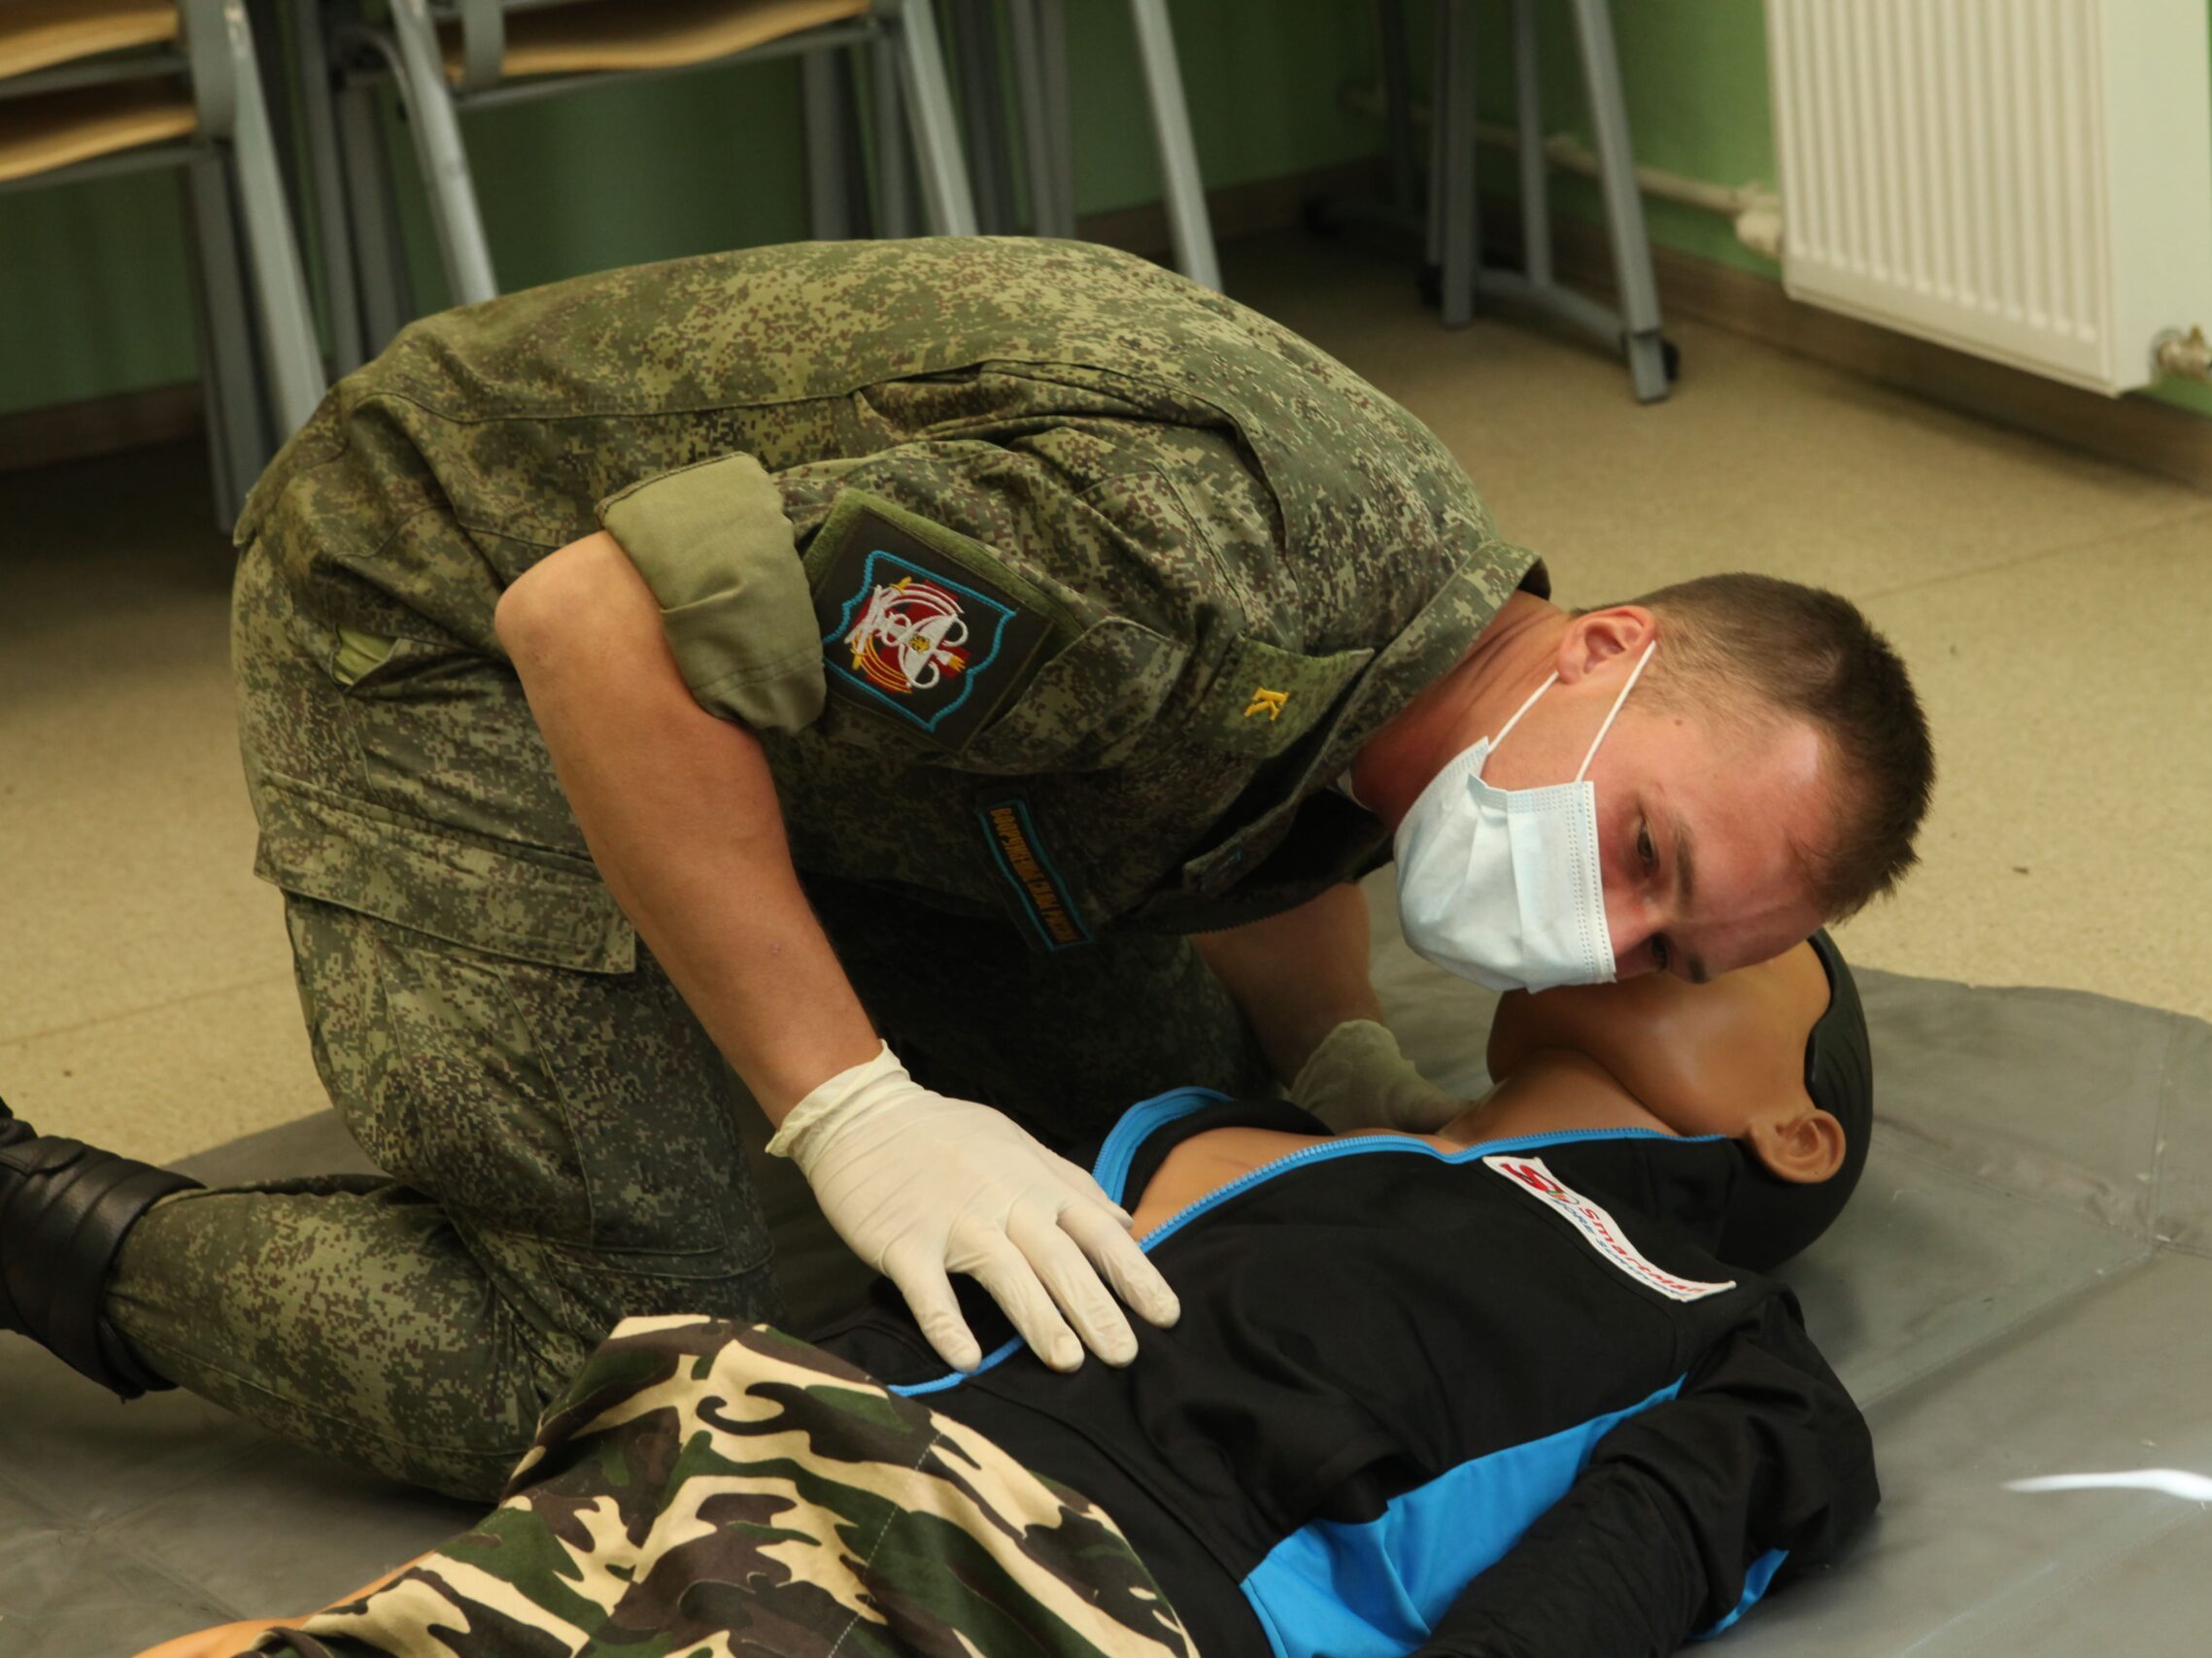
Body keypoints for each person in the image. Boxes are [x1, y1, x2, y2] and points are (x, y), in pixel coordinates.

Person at [1, 237, 1931, 1500]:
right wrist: (847, 1105)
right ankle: (50, 1222)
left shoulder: (1434, 673)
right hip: (456, 596)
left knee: (1120, 1151)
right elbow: (598, 622)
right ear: (1596, 644)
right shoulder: (1192, 562)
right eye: (1641, 847)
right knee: (637, 1374)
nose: (1602, 926)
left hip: (800, 709)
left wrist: (1340, 1063)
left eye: (1671, 940)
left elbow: (1258, 804)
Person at [139, 931, 1879, 1658]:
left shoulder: (1716, 1333)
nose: (1658, 923)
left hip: (1049, 1580)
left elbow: (1607, 1586)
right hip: (739, 1427)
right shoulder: (1235, 1132)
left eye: (1726, 948)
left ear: (1797, 1135)